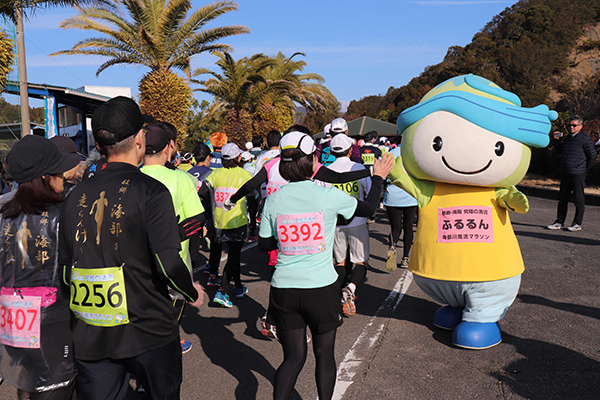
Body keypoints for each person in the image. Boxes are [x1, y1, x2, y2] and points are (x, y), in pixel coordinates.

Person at [58, 96, 204, 399]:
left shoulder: (75, 197)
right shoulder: (152, 190)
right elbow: (167, 262)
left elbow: (63, 271)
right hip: (147, 329)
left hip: (91, 333)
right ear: (140, 139)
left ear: (98, 146)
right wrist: (191, 292)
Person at [258, 131, 394, 400]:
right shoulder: (327, 194)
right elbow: (368, 208)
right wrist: (377, 178)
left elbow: (264, 245)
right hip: (321, 288)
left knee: (293, 358)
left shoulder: (273, 200)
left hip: (283, 289)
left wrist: (288, 238)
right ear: (313, 160)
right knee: (324, 355)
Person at [0, 134, 81, 399]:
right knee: (53, 388)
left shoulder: (3, 214)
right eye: (58, 171)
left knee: (25, 381)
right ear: (47, 176)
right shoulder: (64, 214)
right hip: (54, 324)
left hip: (10, 321)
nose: (62, 177)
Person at [141, 125, 206, 354]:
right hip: (174, 266)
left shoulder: (132, 177)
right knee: (169, 327)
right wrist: (172, 236)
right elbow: (197, 219)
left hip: (137, 269)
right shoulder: (181, 179)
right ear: (169, 147)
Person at [327, 133, 372, 316]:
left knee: (340, 262)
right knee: (360, 262)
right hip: (358, 221)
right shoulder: (359, 168)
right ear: (350, 149)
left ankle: (336, 295)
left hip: (335, 224)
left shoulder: (326, 170)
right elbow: (369, 193)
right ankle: (351, 288)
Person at [205, 143, 253, 307]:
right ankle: (223, 291)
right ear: (238, 157)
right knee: (234, 256)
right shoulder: (244, 174)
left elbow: (203, 191)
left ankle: (238, 287)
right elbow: (253, 195)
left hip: (219, 220)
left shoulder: (215, 174)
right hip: (237, 221)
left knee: (234, 256)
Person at [547, 115, 596, 232]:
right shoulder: (568, 138)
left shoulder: (585, 139)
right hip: (565, 173)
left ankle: (577, 223)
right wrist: (556, 141)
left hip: (577, 174)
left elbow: (592, 156)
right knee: (562, 199)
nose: (571, 127)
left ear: (581, 126)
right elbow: (560, 151)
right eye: (570, 125)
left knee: (578, 200)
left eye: (574, 125)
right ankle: (559, 222)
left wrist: (583, 169)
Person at [383, 136, 418, 270]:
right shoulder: (413, 153)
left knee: (395, 228)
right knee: (408, 226)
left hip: (393, 195)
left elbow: (385, 174)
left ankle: (392, 246)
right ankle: (405, 259)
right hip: (410, 194)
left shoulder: (390, 154)